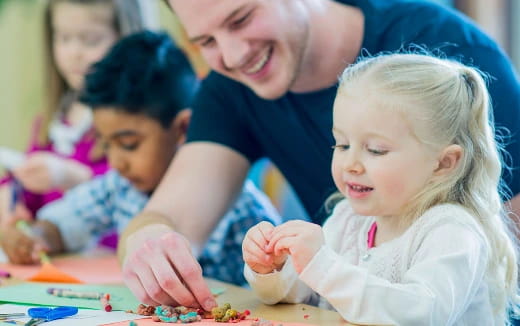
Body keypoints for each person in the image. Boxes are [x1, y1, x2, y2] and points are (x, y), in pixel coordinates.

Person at [121, 0, 520, 310]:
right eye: (205, 42)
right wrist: (151, 247)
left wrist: (330, 271)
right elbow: (170, 215)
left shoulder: (449, 50)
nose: (231, 54)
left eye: (241, 19)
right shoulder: (231, 84)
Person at [243, 53, 520, 325]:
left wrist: (322, 265)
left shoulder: (453, 232)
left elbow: (421, 315)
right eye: (341, 145)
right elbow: (312, 296)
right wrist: (274, 270)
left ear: (443, 163)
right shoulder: (347, 218)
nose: (350, 164)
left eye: (375, 150)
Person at [0, 31, 281, 288]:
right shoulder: (119, 187)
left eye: (128, 144)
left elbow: (279, 290)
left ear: (183, 129)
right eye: (105, 144)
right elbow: (63, 224)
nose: (116, 161)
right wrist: (34, 237)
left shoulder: (243, 210)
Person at [0, 0, 156, 226]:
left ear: (125, 41)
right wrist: (10, 196)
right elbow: (30, 192)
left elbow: (140, 196)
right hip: (58, 253)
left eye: (91, 41)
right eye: (63, 38)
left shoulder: (138, 119)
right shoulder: (51, 120)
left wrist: (74, 178)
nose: (74, 53)